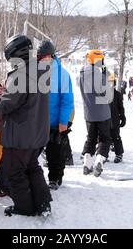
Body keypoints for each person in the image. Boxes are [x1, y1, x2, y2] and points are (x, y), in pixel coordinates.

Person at [0, 35, 52, 217]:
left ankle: (24, 207)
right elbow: (28, 97)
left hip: (21, 135)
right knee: (32, 166)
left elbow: (6, 105)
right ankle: (43, 204)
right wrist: (8, 91)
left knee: (14, 172)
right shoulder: (40, 69)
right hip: (37, 132)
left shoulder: (21, 74)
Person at [37, 40, 74, 190]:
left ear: (52, 56)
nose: (43, 60)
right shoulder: (36, 71)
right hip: (38, 121)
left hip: (55, 122)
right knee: (33, 152)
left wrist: (63, 122)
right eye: (40, 57)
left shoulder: (62, 74)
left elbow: (67, 100)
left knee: (55, 153)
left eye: (46, 57)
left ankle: (55, 178)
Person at [80, 49, 113, 177]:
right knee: (104, 139)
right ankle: (99, 160)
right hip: (102, 112)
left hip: (89, 112)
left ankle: (87, 163)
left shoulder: (82, 73)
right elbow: (105, 93)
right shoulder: (98, 74)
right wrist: (105, 76)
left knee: (91, 138)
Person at [108, 72, 126, 163]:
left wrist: (123, 117)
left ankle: (119, 154)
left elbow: (121, 107)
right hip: (104, 120)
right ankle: (104, 154)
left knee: (116, 137)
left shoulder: (117, 94)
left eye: (111, 82)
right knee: (104, 137)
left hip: (114, 119)